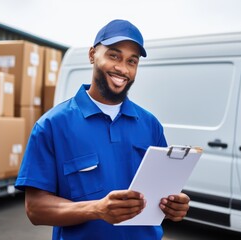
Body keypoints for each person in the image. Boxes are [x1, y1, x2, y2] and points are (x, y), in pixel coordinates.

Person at [15, 19, 190, 240]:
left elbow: (161, 195)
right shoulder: (52, 125)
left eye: (132, 61)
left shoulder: (150, 125)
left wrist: (174, 206)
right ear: (92, 55)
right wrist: (96, 209)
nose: (122, 68)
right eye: (113, 56)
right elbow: (35, 209)